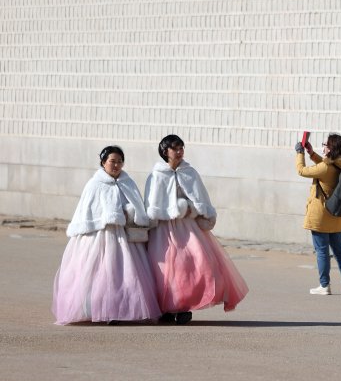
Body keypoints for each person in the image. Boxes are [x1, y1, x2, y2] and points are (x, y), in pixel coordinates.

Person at [145, 135, 249, 324]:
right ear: (165, 151)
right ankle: (166, 308)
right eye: (175, 148)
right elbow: (150, 203)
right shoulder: (156, 175)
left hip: (187, 225)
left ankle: (184, 306)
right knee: (163, 268)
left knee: (192, 264)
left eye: (181, 148)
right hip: (163, 228)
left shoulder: (190, 172)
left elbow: (200, 196)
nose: (179, 151)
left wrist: (195, 210)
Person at [52, 145, 161, 325]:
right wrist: (106, 218)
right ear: (103, 162)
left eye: (119, 161)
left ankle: (121, 308)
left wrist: (131, 213)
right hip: (100, 237)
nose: (116, 165)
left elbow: (138, 208)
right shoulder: (95, 184)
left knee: (125, 274)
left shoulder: (128, 182)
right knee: (99, 273)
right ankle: (99, 308)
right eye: (112, 161)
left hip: (125, 236)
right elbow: (87, 210)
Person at [295, 133, 341, 295]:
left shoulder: (326, 167)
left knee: (322, 250)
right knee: (340, 251)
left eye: (325, 144)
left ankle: (324, 285)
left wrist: (300, 153)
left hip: (321, 215)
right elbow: (326, 167)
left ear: (331, 149)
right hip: (337, 214)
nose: (322, 147)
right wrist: (311, 153)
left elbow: (302, 171)